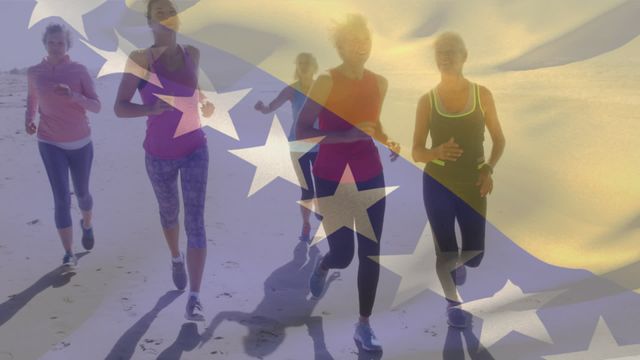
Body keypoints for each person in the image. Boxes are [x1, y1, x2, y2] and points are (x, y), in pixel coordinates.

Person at [296, 14, 400, 352]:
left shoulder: (379, 82)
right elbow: (303, 131)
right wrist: (345, 136)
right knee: (343, 254)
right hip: (330, 176)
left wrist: (388, 140)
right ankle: (325, 265)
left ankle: (363, 326)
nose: (361, 45)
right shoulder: (326, 81)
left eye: (365, 39)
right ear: (340, 46)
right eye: (353, 40)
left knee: (371, 254)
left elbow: (373, 124)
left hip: (369, 172)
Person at [114, 0, 215, 321]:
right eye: (158, 14)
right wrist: (149, 110)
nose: (166, 18)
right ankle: (175, 256)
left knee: (195, 221)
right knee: (169, 214)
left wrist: (206, 102)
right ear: (150, 23)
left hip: (196, 147)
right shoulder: (140, 60)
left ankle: (195, 297)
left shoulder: (192, 54)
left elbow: (193, 90)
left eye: (170, 12)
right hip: (158, 155)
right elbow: (120, 107)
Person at [412, 32, 506, 328]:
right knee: (446, 252)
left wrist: (488, 168)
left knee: (475, 255)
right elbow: (416, 151)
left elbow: (499, 139)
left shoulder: (482, 94)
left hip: (473, 184)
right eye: (440, 52)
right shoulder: (427, 100)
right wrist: (436, 151)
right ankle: (454, 303)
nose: (445, 56)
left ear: (464, 56)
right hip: (437, 183)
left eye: (451, 51)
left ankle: (457, 267)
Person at [25, 23, 101, 267]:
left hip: (80, 142)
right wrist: (29, 119)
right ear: (45, 44)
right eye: (51, 42)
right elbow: (32, 98)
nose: (56, 47)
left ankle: (87, 224)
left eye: (60, 43)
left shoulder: (78, 70)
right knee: (61, 198)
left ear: (67, 46)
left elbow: (96, 105)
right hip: (49, 141)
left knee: (82, 193)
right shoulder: (35, 72)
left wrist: (73, 96)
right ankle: (69, 253)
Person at [254, 52, 320, 242]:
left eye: (307, 63)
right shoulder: (292, 90)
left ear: (314, 66)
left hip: (319, 145)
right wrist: (262, 108)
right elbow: (270, 108)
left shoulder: (321, 89)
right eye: (300, 63)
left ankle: (319, 208)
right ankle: (306, 224)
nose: (304, 66)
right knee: (307, 188)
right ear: (297, 67)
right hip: (297, 145)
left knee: (322, 186)